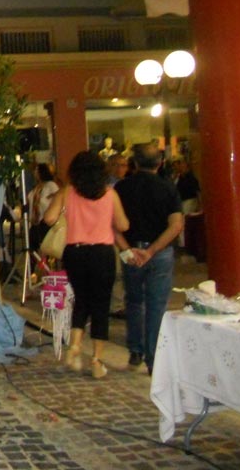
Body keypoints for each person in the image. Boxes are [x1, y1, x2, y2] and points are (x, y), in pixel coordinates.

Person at [44, 151, 129, 379]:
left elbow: (49, 218)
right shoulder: (110, 194)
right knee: (101, 304)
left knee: (81, 300)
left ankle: (75, 346)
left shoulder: (68, 192)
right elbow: (123, 225)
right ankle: (97, 360)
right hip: (102, 253)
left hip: (75, 252)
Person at [114, 142, 184, 375]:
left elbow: (113, 224)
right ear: (160, 162)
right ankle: (154, 359)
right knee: (156, 304)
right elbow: (176, 225)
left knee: (134, 301)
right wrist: (152, 250)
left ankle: (135, 350)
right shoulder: (168, 188)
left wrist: (127, 249)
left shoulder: (122, 188)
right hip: (160, 252)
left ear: (134, 163)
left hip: (131, 251)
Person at [27, 163, 60, 259]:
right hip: (35, 221)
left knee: (43, 245)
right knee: (32, 244)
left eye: (37, 171)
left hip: (45, 221)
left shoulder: (51, 185)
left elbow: (57, 195)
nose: (35, 173)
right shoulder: (37, 187)